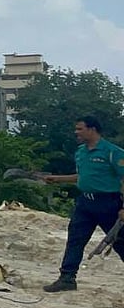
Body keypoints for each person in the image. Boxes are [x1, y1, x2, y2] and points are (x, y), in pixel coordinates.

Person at [41, 115, 124, 292]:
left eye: (80, 128)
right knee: (75, 239)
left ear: (92, 129)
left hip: (109, 203)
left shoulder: (112, 152)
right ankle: (67, 278)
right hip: (85, 202)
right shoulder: (81, 152)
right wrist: (58, 179)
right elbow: (83, 177)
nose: (76, 132)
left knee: (120, 242)